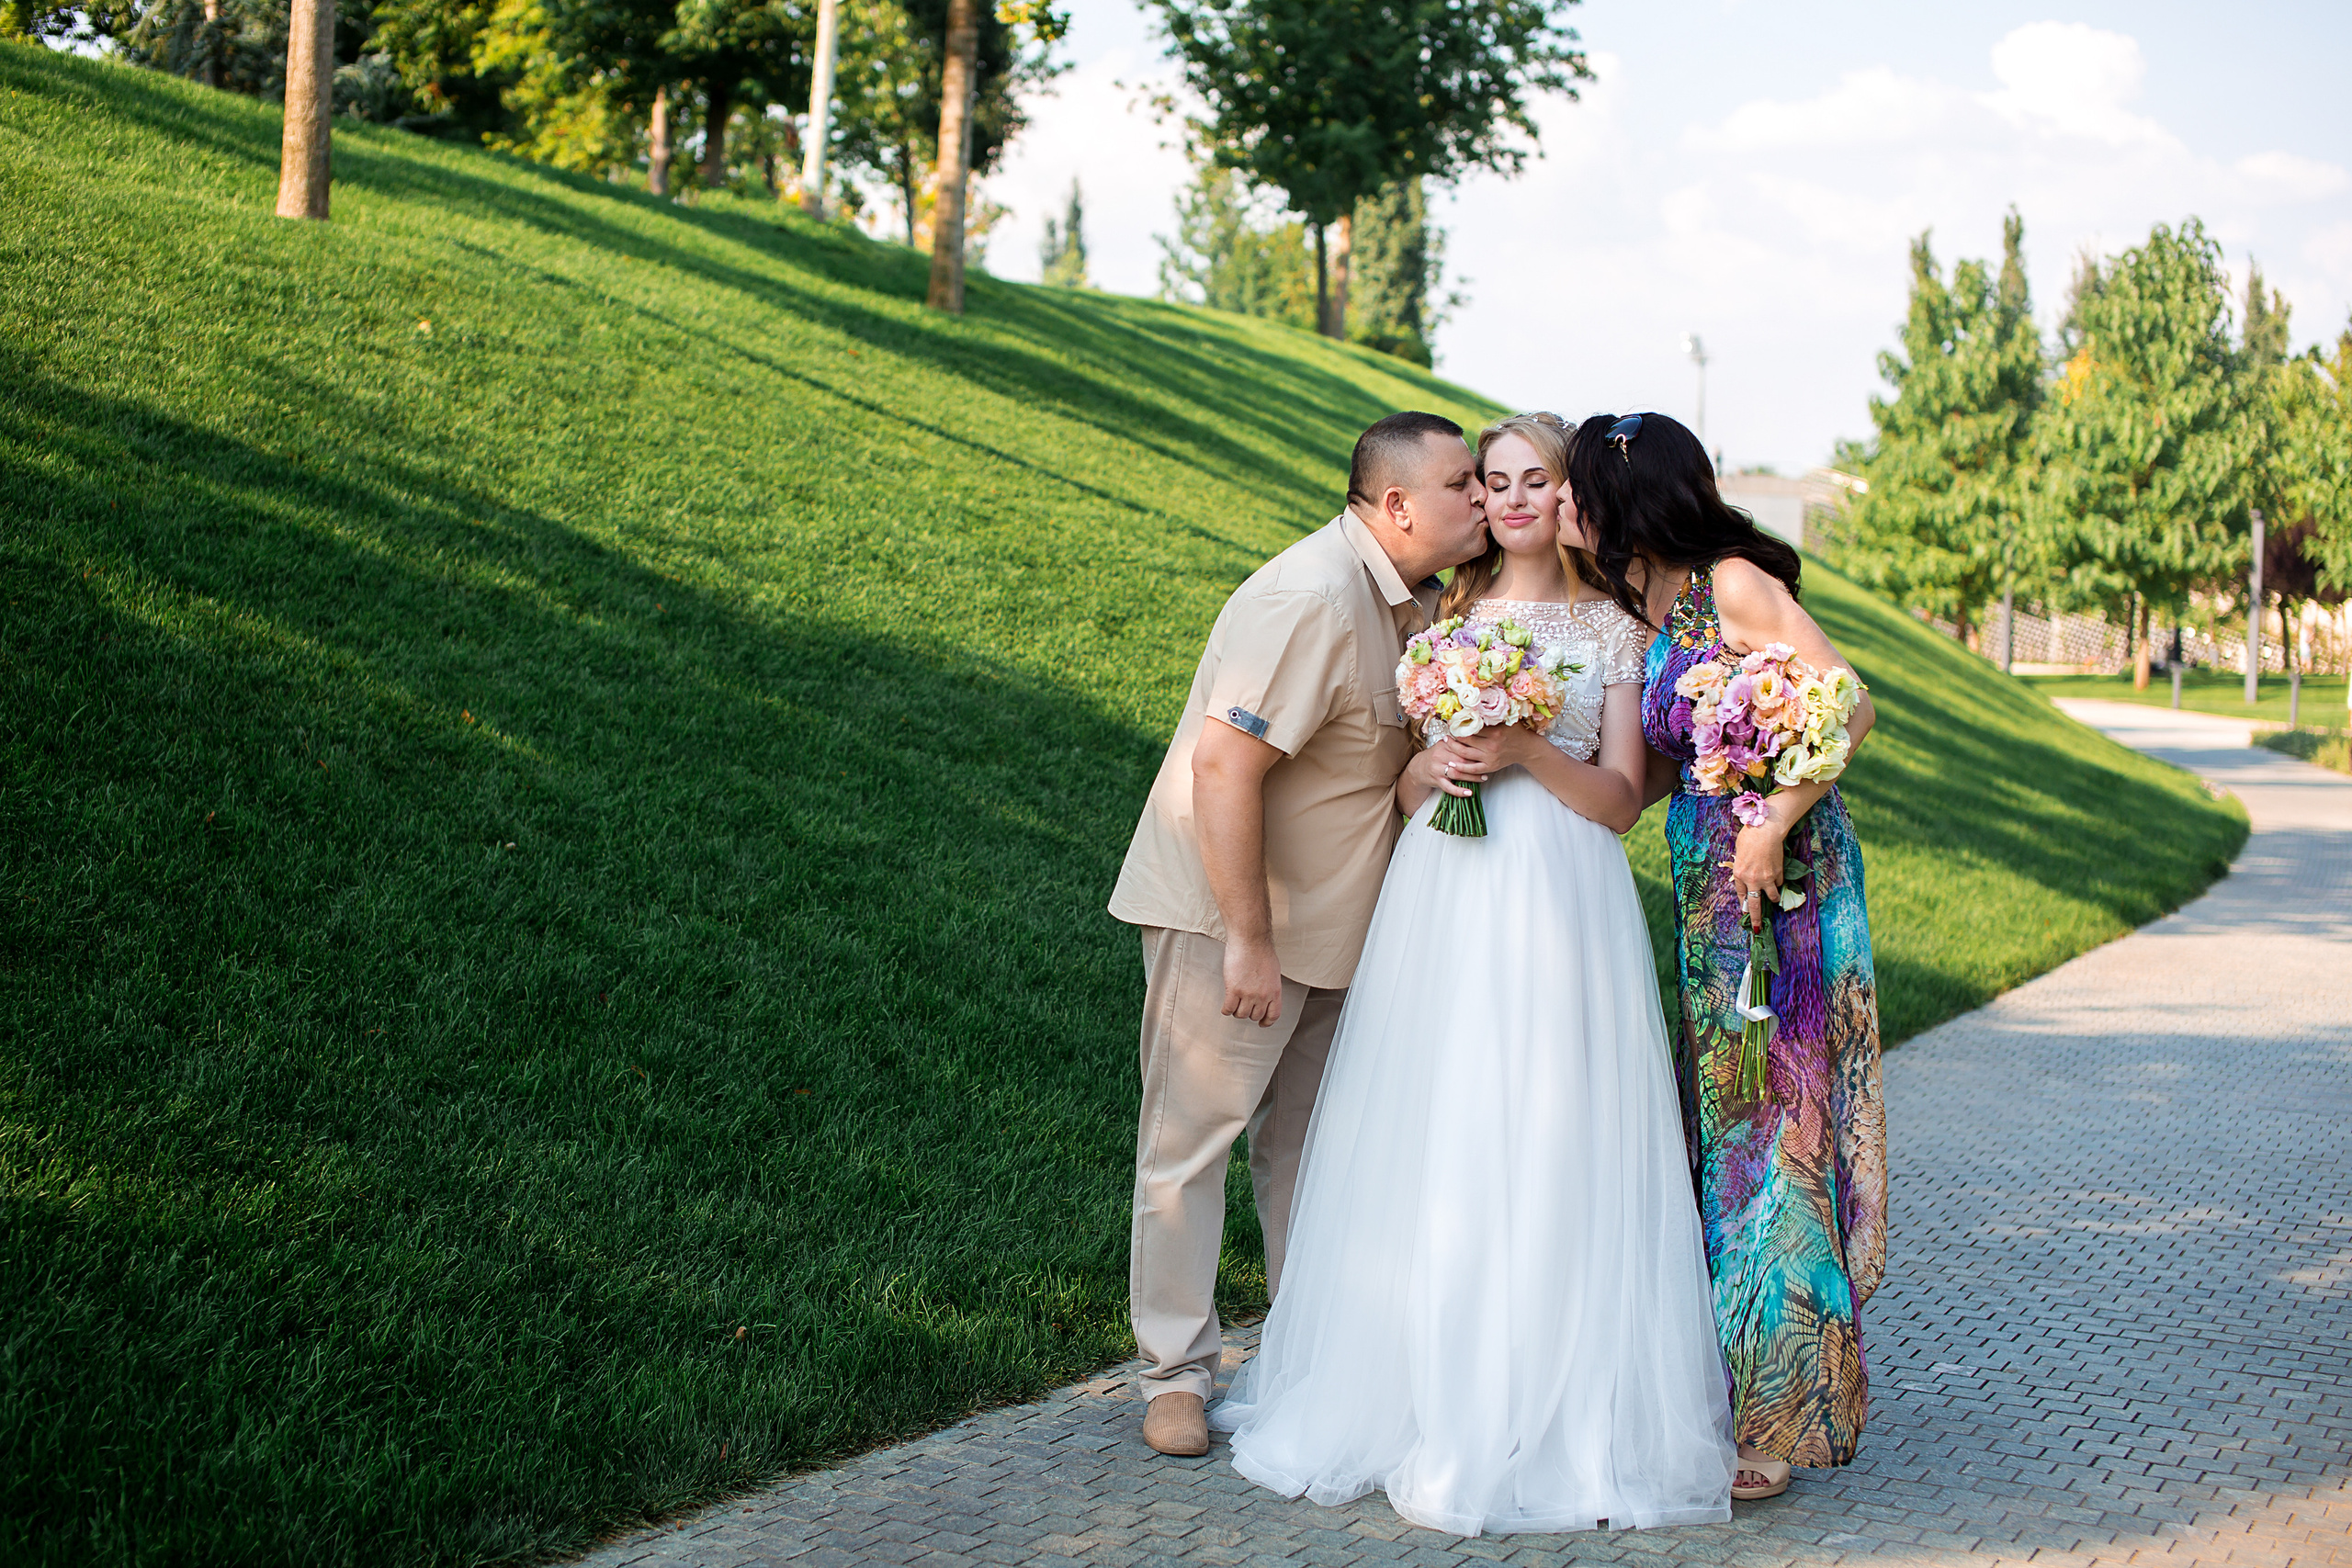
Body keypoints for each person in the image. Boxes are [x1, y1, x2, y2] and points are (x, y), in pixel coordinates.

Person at [1209, 413, 1738, 1535]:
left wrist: (1527, 750)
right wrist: (1437, 767)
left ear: (1566, 496)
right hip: (1448, 897)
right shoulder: (1447, 614)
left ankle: (1549, 1407)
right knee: (1443, 1122)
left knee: (1553, 1130)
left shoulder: (1613, 629)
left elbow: (1615, 806)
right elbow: (1403, 790)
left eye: (1531, 479)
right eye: (1490, 482)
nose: (1508, 500)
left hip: (1560, 898)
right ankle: (1418, 1386)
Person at [1107, 411, 1490, 1459]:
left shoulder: (1415, 604)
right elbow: (1223, 769)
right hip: (1236, 926)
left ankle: (1311, 1363)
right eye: (1464, 483)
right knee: (1191, 1147)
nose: (1483, 498)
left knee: (1308, 1157)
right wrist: (1246, 939)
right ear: (1398, 504)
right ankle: (1175, 1378)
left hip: (1339, 931)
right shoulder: (1309, 597)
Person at [1567, 410, 1886, 1499]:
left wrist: (1770, 821)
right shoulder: (1646, 605)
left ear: (1621, 502)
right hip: (1706, 894)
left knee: (1772, 1130)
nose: (1560, 510)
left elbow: (1849, 706)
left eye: (1570, 492)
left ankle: (1784, 1416)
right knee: (1724, 1126)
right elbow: (1658, 769)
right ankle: (1731, 1383)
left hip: (1781, 885)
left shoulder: (1734, 583)